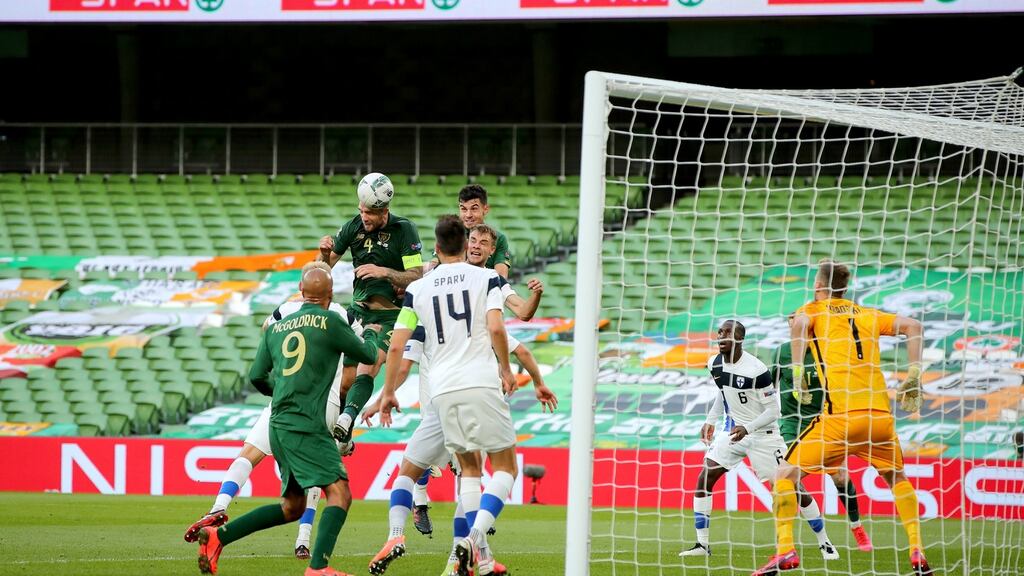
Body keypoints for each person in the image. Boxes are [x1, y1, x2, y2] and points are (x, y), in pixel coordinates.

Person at [194, 264, 380, 576]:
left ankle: (217, 537)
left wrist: (280, 393)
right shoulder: (331, 321)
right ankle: (318, 567)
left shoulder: (276, 326)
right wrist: (373, 336)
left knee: (292, 505)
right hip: (307, 423)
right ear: (330, 295)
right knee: (340, 492)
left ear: (301, 292)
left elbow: (256, 376)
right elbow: (368, 356)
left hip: (278, 422)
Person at [753, 259, 932, 576]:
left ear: (819, 286)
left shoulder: (814, 308)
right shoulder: (866, 314)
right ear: (845, 287)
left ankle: (785, 551)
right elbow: (914, 326)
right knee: (897, 480)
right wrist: (915, 373)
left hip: (840, 418)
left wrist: (797, 373)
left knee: (784, 475)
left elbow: (797, 325)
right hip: (880, 420)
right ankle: (917, 550)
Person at [378, 215, 519, 576]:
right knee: (504, 468)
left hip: (442, 392)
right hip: (480, 383)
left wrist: (389, 391)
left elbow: (397, 346)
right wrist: (505, 368)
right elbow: (496, 326)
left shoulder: (419, 288)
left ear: (437, 248)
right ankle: (471, 541)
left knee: (470, 470)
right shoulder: (487, 277)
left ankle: (480, 558)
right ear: (465, 245)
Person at [679, 320, 837, 561]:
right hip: (732, 433)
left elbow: (774, 411)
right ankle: (702, 544)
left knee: (793, 487)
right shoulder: (714, 363)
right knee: (705, 478)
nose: (721, 336)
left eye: (728, 333)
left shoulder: (756, 369)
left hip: (764, 436)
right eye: (720, 332)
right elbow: (723, 395)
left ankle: (824, 542)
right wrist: (711, 420)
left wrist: (748, 427)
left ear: (739, 339)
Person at [318, 180, 424, 444]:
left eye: (369, 213)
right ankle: (342, 429)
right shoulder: (353, 226)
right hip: (358, 313)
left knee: (371, 364)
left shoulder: (404, 230)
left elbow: (417, 276)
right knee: (345, 382)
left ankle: (346, 419)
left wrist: (385, 273)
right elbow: (320, 274)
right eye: (361, 210)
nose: (363, 217)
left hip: (390, 316)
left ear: (384, 211)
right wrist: (323, 255)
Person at [774, 313, 873, 552]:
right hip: (791, 424)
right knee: (785, 477)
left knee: (839, 477)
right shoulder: (782, 352)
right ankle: (785, 544)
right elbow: (770, 383)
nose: (795, 330)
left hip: (823, 423)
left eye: (799, 325)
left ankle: (856, 526)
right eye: (792, 326)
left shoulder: (826, 352)